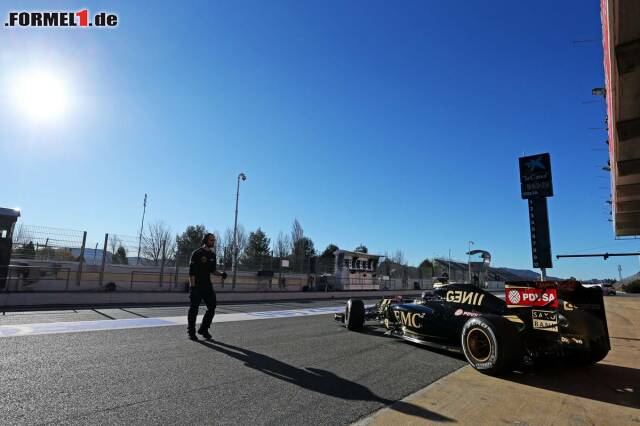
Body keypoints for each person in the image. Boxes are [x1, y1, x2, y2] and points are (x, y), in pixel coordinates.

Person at [187, 233, 226, 341]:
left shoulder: (213, 255)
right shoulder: (197, 253)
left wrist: (222, 274)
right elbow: (191, 273)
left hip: (207, 286)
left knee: (212, 307)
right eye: (210, 240)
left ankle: (204, 329)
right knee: (194, 309)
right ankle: (191, 332)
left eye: (214, 240)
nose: (212, 242)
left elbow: (213, 270)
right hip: (196, 286)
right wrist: (193, 287)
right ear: (205, 240)